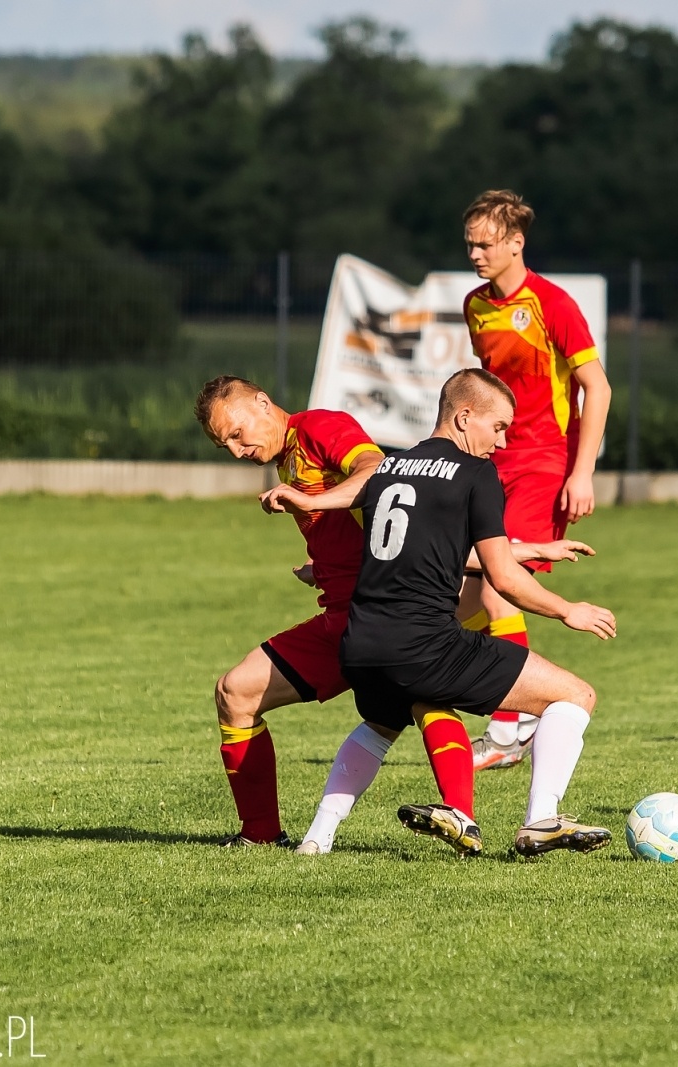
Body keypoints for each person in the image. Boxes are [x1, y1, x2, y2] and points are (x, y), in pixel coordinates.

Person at [195, 376, 591, 853]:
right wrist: (326, 566)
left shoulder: (319, 428)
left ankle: (472, 796)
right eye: (226, 445)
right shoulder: (290, 460)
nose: (238, 450)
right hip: (354, 617)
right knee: (236, 693)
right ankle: (262, 834)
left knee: (415, 694)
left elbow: (375, 471)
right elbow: (412, 530)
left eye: (238, 434)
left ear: (262, 402)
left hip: (368, 615)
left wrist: (313, 501)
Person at [299, 367, 616, 857]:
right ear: (465, 417)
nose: (504, 442)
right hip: (425, 645)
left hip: (362, 645)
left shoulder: (388, 468)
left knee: (380, 725)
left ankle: (317, 838)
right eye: (499, 427)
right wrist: (567, 609)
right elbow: (503, 579)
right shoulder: (476, 473)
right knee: (575, 696)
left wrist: (530, 549)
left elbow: (427, 548)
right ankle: (540, 820)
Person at [458, 190, 613, 770]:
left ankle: (508, 726)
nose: (476, 253)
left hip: (546, 462)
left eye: (486, 243)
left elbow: (597, 387)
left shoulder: (552, 303)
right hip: (491, 461)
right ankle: (473, 697)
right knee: (466, 594)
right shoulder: (475, 305)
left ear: (516, 242)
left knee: (499, 583)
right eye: (470, 243)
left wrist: (582, 471)